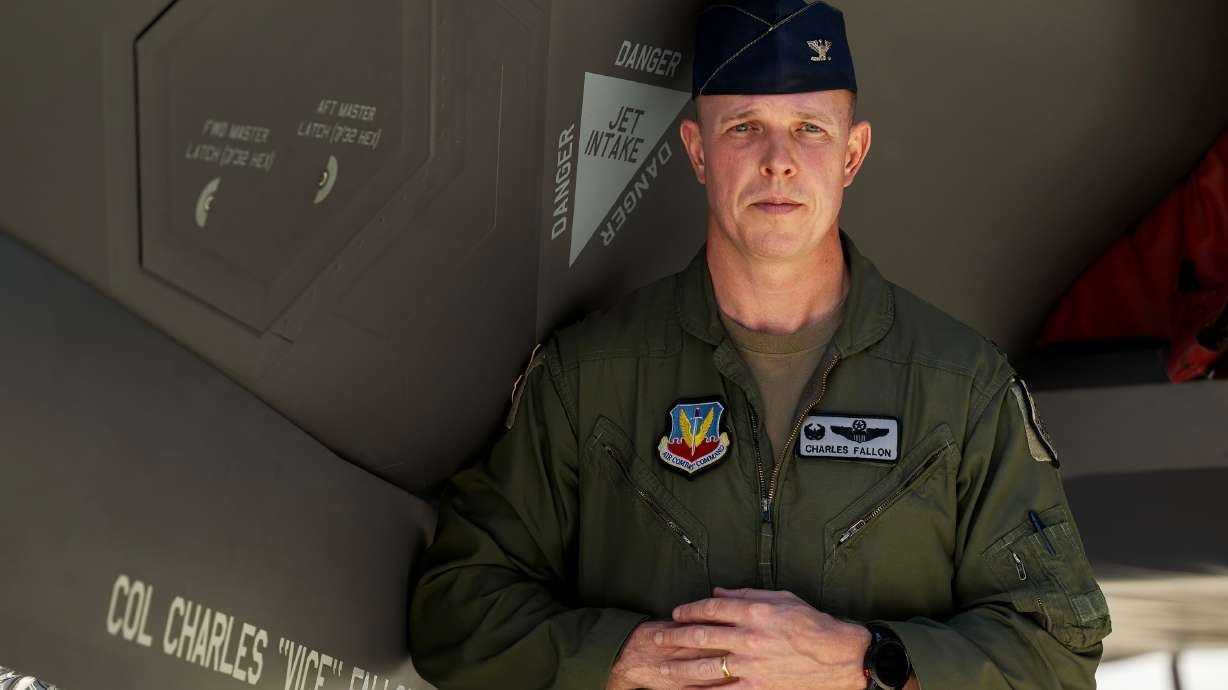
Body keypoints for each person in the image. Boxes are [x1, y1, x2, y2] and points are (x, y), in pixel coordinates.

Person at [409, 1, 1111, 688]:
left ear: (852, 153)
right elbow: (454, 613)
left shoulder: (959, 387)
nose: (778, 161)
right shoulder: (588, 378)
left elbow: (1057, 649)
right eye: (744, 128)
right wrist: (619, 658)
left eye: (809, 129)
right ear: (697, 152)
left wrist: (862, 662)